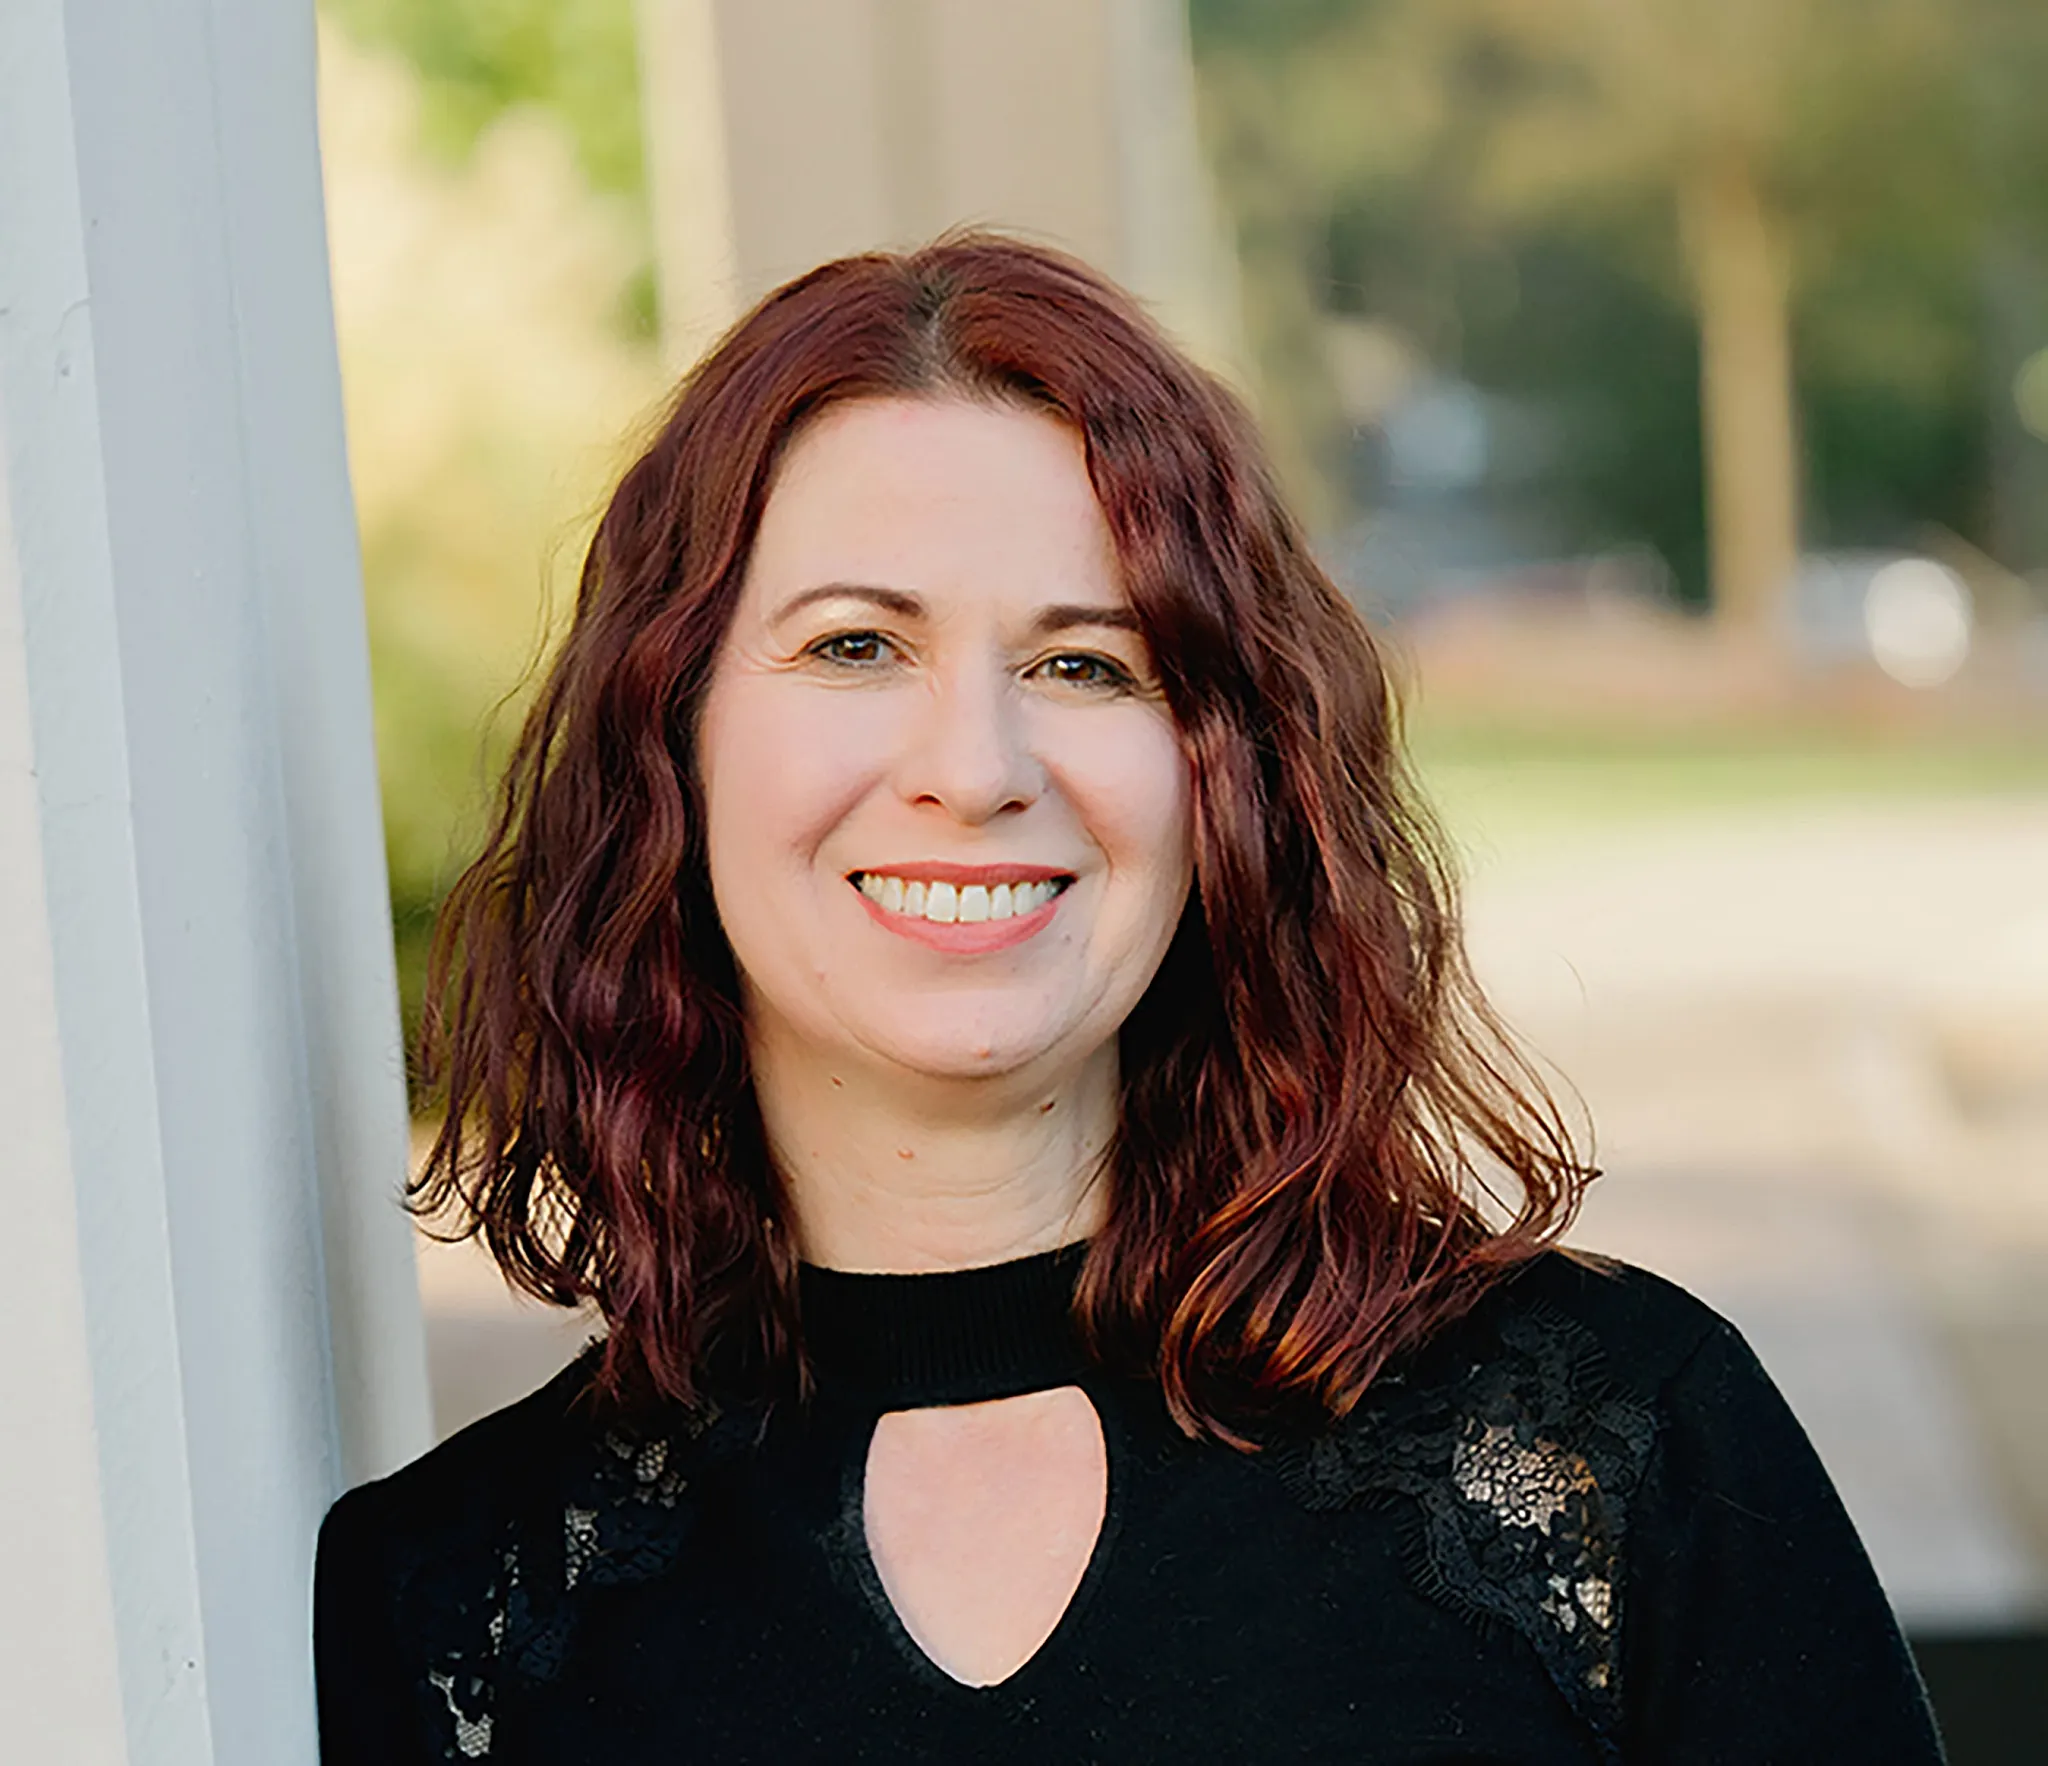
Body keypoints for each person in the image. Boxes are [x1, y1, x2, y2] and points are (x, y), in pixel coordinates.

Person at [315, 234, 1944, 1764]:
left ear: (1225, 781)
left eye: (1087, 665)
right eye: (856, 646)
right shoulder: (455, 1607)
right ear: (669, 737)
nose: (973, 768)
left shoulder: (1619, 1448)